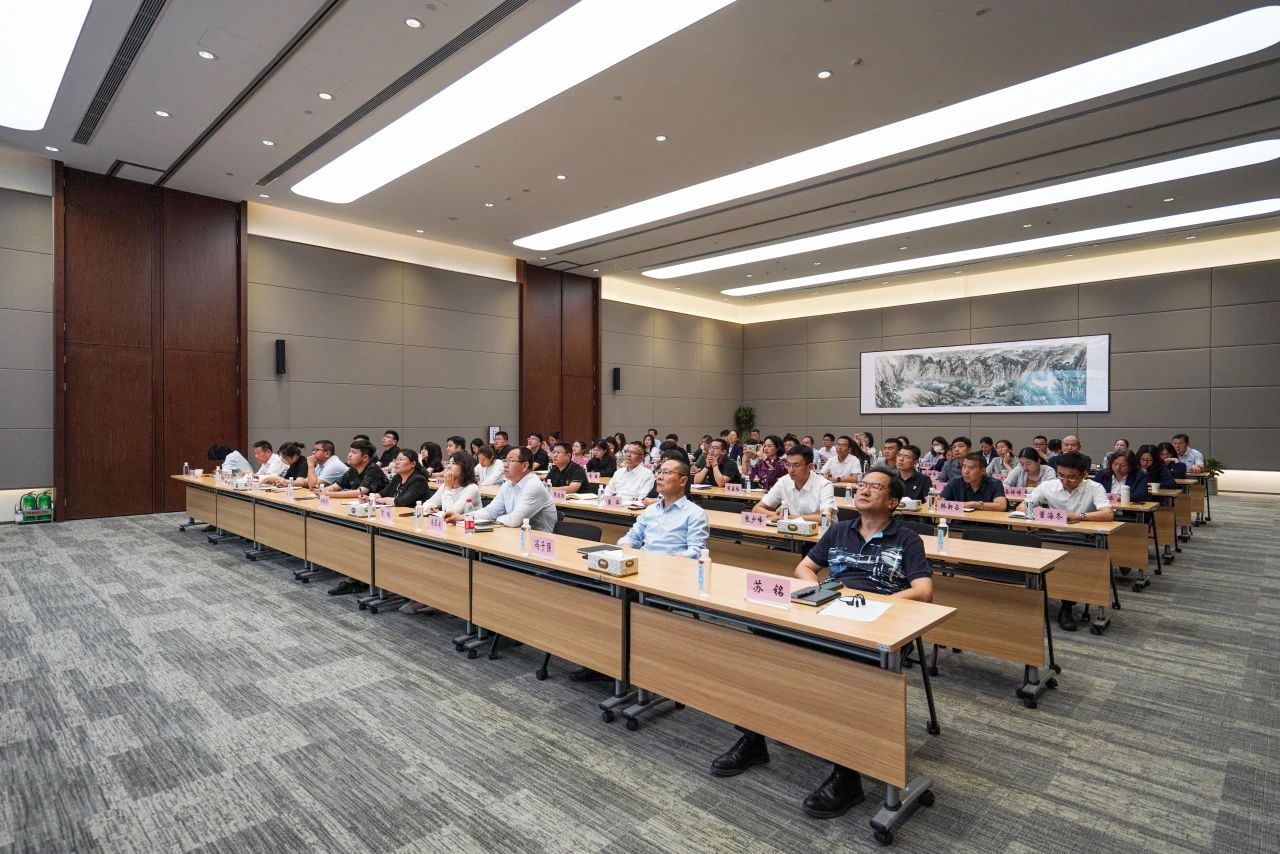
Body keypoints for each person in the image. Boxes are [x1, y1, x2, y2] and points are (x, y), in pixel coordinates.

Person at [711, 466, 932, 818]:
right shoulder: (840, 530)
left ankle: (848, 774)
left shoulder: (906, 539)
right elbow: (805, 568)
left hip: (877, 624)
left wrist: (876, 603)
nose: (863, 490)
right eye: (862, 485)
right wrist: (820, 592)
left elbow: (923, 591)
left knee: (849, 675)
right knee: (764, 643)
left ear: (892, 502)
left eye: (874, 487)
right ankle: (754, 737)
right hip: (828, 610)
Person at [1017, 452, 1113, 631]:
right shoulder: (1048, 486)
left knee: (1071, 562)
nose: (1065, 480)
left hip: (1079, 537)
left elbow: (1107, 514)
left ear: (1084, 474)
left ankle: (1066, 607)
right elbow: (1022, 506)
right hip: (1051, 534)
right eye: (1061, 475)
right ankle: (1033, 597)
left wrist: (1078, 516)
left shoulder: (1094, 487)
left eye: (1071, 477)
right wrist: (1037, 512)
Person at [324, 440, 390, 596]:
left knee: (357, 542)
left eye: (354, 452)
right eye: (349, 451)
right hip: (360, 513)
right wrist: (323, 491)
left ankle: (357, 579)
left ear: (365, 457)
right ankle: (355, 576)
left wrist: (330, 494)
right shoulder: (352, 470)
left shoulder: (373, 469)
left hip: (379, 517)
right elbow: (336, 486)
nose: (349, 455)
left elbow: (361, 491)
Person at [446, 446, 556, 531]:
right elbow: (491, 511)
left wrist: (497, 517)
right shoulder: (508, 484)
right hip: (515, 533)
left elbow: (514, 521)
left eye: (511, 461)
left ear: (525, 466)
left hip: (540, 540)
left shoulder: (533, 485)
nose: (505, 465)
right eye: (505, 460)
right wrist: (464, 517)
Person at [617, 459, 710, 559]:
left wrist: (670, 561)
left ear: (683, 481)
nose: (659, 477)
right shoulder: (651, 510)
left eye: (666, 473)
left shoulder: (695, 513)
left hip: (674, 565)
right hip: (644, 562)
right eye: (659, 472)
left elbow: (696, 550)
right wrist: (626, 547)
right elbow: (632, 537)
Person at [751, 446, 834, 522]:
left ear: (810, 467)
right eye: (788, 464)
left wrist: (786, 517)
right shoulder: (783, 481)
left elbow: (825, 518)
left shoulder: (824, 485)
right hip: (790, 531)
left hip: (822, 532)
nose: (791, 470)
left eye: (796, 465)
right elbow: (756, 509)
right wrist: (777, 515)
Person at [941, 452, 1008, 511]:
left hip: (985, 521)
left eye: (971, 468)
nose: (965, 471)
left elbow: (1001, 506)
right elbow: (940, 501)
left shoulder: (994, 483)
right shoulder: (955, 481)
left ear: (983, 471)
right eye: (964, 466)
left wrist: (974, 504)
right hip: (960, 520)